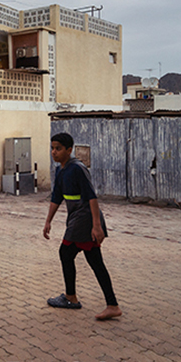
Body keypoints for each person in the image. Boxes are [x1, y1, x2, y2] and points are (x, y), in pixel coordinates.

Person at [42, 132, 122, 321]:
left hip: (85, 218)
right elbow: (56, 198)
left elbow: (91, 196)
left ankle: (72, 298)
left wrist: (96, 226)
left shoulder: (78, 169)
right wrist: (48, 221)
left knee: (66, 252)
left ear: (69, 150)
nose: (54, 152)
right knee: (93, 260)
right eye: (52, 148)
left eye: (58, 148)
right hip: (77, 219)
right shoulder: (60, 170)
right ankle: (111, 304)